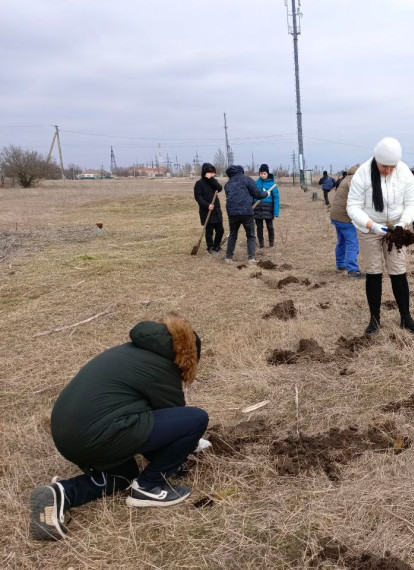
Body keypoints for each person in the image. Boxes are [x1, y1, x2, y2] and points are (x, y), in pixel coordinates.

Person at [30, 314, 209, 541]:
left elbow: (153, 421)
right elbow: (176, 420)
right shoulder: (162, 366)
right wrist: (186, 450)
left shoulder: (132, 352)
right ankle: (148, 487)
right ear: (187, 357)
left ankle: (62, 494)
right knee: (197, 419)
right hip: (98, 433)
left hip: (70, 438)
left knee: (124, 476)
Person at [346, 137, 414, 335]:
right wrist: (372, 225)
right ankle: (375, 320)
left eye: (392, 167)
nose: (388, 171)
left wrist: (402, 224)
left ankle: (405, 317)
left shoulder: (404, 172)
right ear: (376, 160)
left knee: (398, 270)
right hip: (368, 227)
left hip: (396, 227)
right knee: (374, 272)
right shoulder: (362, 174)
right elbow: (352, 206)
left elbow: (413, 202)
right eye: (384, 166)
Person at [224, 164, 269, 265]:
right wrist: (266, 194)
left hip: (232, 213)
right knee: (250, 235)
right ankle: (251, 259)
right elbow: (257, 194)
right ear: (241, 171)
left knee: (232, 235)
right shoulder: (247, 180)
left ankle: (228, 258)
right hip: (246, 212)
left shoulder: (227, 184)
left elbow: (231, 198)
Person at [330, 164, 363, 278]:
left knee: (342, 241)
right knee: (353, 243)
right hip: (345, 217)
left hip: (336, 215)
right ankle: (353, 270)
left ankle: (340, 264)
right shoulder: (355, 180)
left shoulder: (347, 178)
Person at [193, 163, 224, 253]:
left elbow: (219, 188)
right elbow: (198, 197)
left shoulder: (213, 182)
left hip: (216, 209)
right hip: (206, 210)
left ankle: (217, 246)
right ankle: (210, 247)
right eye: (210, 173)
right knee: (209, 231)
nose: (213, 174)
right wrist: (207, 205)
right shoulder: (199, 183)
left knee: (220, 230)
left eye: (213, 172)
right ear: (205, 173)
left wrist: (211, 180)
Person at [253, 164, 279, 249]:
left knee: (270, 226)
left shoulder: (272, 184)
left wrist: (276, 211)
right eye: (261, 173)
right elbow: (252, 196)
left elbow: (276, 198)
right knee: (259, 227)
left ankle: (271, 243)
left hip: (268, 208)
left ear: (267, 173)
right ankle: (261, 244)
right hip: (257, 208)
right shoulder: (256, 183)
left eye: (264, 173)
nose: (263, 175)